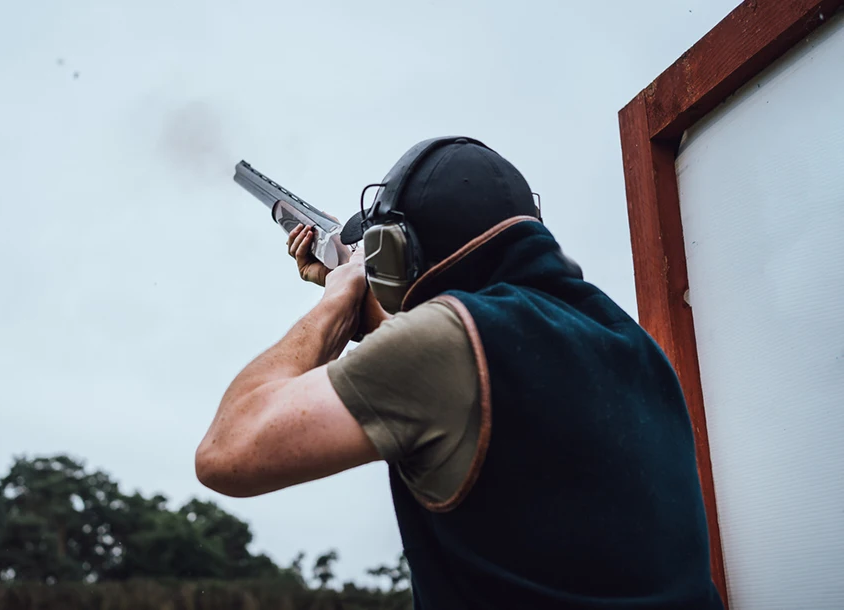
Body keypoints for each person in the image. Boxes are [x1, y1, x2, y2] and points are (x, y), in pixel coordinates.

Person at [195, 136, 724, 609]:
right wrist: (362, 304)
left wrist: (338, 298)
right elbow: (456, 373)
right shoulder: (627, 343)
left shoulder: (447, 346)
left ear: (396, 253)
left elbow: (227, 449)